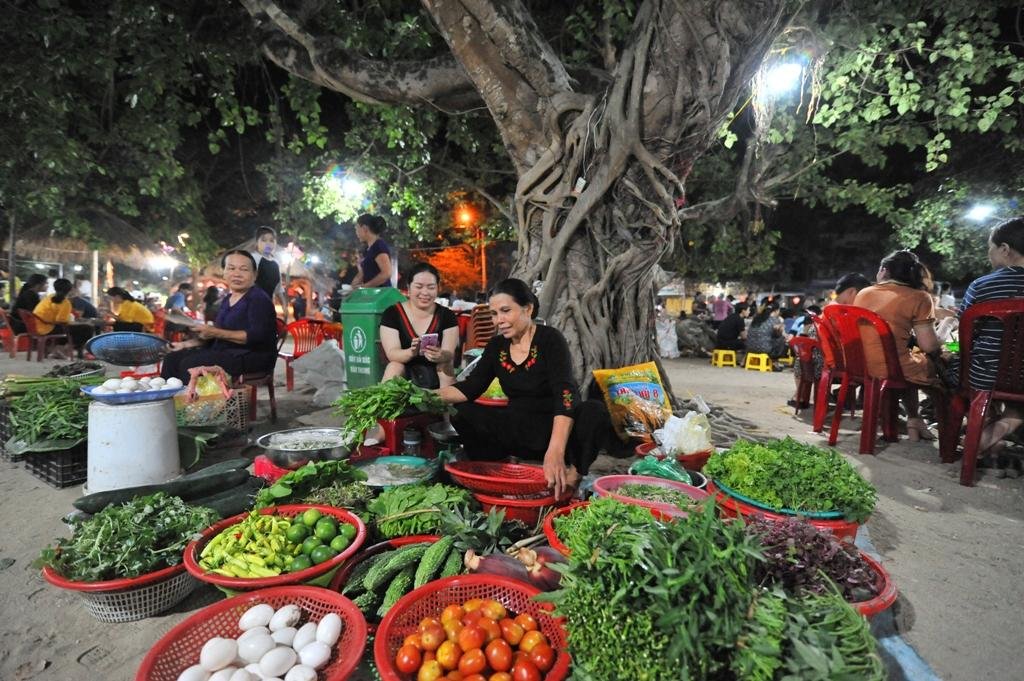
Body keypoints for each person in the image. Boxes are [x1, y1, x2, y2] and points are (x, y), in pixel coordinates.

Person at [436, 278, 611, 497]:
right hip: (518, 428)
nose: (499, 320)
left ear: (527, 309)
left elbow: (565, 394)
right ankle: (496, 470)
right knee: (462, 411)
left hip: (556, 431)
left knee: (594, 411)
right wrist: (420, 395)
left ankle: (572, 478)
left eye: (505, 311)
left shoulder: (550, 339)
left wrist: (555, 452)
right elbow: (470, 388)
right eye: (493, 314)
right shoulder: (497, 346)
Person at [854, 250, 942, 441]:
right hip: (893, 367)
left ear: (884, 271)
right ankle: (946, 433)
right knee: (938, 365)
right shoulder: (919, 297)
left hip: (862, 364)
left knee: (907, 358)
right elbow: (929, 346)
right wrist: (948, 343)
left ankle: (914, 419)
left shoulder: (864, 293)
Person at [956, 217, 1024, 463]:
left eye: (990, 248)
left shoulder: (981, 285)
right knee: (1017, 405)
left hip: (984, 375)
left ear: (1005, 249)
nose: (989, 254)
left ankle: (980, 436)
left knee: (957, 364)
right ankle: (1003, 428)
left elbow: (965, 334)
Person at [160, 250, 278, 383]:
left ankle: (195, 397)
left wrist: (214, 331)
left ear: (255, 275)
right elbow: (216, 334)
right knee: (172, 358)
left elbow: (257, 336)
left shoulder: (258, 299)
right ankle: (169, 395)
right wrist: (185, 344)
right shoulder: (227, 300)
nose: (237, 274)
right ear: (224, 272)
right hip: (225, 352)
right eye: (231, 268)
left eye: (244, 269)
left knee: (190, 364)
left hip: (252, 356)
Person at [380, 262, 460, 390]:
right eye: (419, 286)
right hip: (405, 373)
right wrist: (411, 352)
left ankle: (446, 401)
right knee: (394, 366)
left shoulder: (447, 316)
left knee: (445, 365)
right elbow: (392, 353)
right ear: (409, 287)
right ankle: (387, 401)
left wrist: (440, 355)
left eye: (431, 287)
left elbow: (449, 353)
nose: (425, 292)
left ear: (438, 288)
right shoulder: (392, 314)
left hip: (436, 373)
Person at [33, 278, 92, 358]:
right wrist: (75, 323)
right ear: (69, 290)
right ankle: (65, 350)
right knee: (87, 328)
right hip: (47, 328)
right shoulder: (65, 303)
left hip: (36, 326)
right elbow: (61, 321)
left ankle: (58, 349)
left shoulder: (49, 297)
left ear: (55, 288)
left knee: (76, 329)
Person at [251, 226, 287, 317]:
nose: (268, 244)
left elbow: (278, 288)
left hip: (268, 307)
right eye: (264, 240)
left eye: (272, 240)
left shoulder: (275, 263)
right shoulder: (253, 259)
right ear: (256, 242)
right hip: (252, 307)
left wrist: (284, 306)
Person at [351, 214, 394, 289]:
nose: (356, 232)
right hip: (372, 294)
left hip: (381, 294)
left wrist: (364, 287)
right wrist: (351, 287)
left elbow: (387, 273)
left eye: (357, 228)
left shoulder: (379, 246)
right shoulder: (368, 249)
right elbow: (362, 273)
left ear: (365, 228)